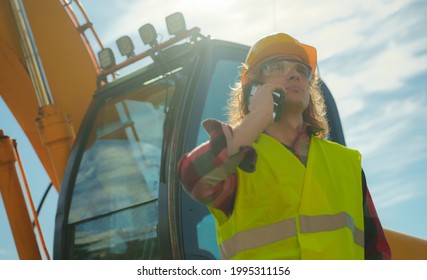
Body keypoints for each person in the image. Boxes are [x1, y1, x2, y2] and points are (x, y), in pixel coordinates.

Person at [178, 33, 391, 260]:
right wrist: (259, 115)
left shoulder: (347, 163)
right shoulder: (237, 161)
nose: (294, 74)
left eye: (301, 70)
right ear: (253, 87)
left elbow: (376, 253)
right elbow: (194, 177)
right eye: (278, 67)